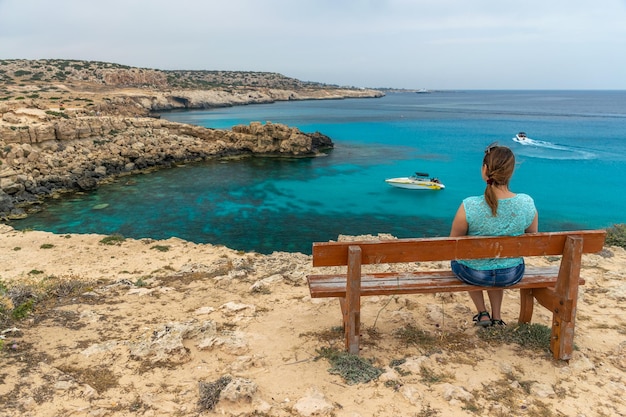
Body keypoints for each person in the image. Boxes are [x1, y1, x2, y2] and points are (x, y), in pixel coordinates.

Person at [449, 143, 538, 327]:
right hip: (511, 273)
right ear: (511, 172)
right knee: (498, 263)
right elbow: (532, 236)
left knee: (463, 261)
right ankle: (496, 317)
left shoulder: (469, 205)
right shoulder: (527, 203)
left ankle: (482, 313)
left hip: (474, 274)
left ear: (485, 170)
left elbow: (453, 244)